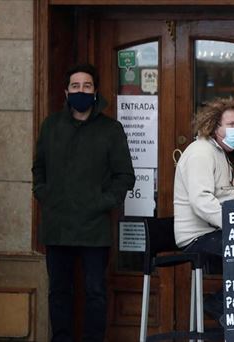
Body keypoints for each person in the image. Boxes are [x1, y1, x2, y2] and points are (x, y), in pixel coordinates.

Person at [32, 63, 135, 341]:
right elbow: (38, 167)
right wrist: (44, 193)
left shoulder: (110, 129)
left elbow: (125, 175)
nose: (81, 91)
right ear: (66, 92)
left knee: (95, 292)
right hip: (58, 224)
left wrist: (104, 202)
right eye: (75, 86)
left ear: (95, 91)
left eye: (86, 86)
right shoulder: (51, 125)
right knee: (59, 292)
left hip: (94, 227)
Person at [173, 97, 234, 319]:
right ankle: (219, 305)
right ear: (214, 126)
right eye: (231, 124)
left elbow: (225, 196)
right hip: (197, 237)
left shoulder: (218, 153)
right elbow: (202, 201)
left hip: (213, 232)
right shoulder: (201, 152)